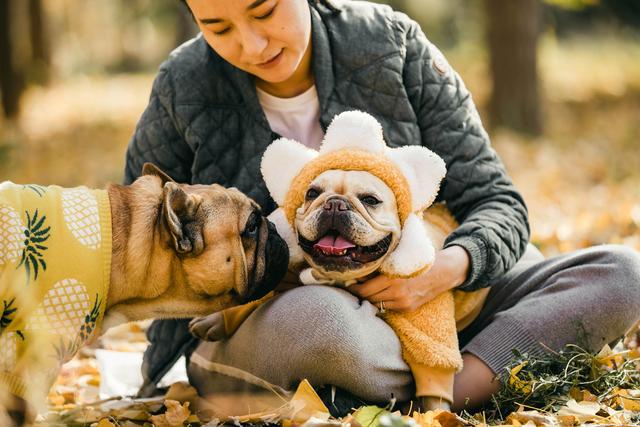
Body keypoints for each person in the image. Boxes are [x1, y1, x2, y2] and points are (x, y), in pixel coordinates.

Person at [124, 0, 640, 413]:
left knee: (623, 273)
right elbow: (144, 240)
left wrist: (440, 273)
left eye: (264, 11)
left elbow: (496, 201)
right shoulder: (183, 85)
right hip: (285, 315)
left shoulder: (390, 42)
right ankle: (474, 371)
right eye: (218, 27)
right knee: (320, 322)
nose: (252, 44)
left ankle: (438, 393)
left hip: (439, 292)